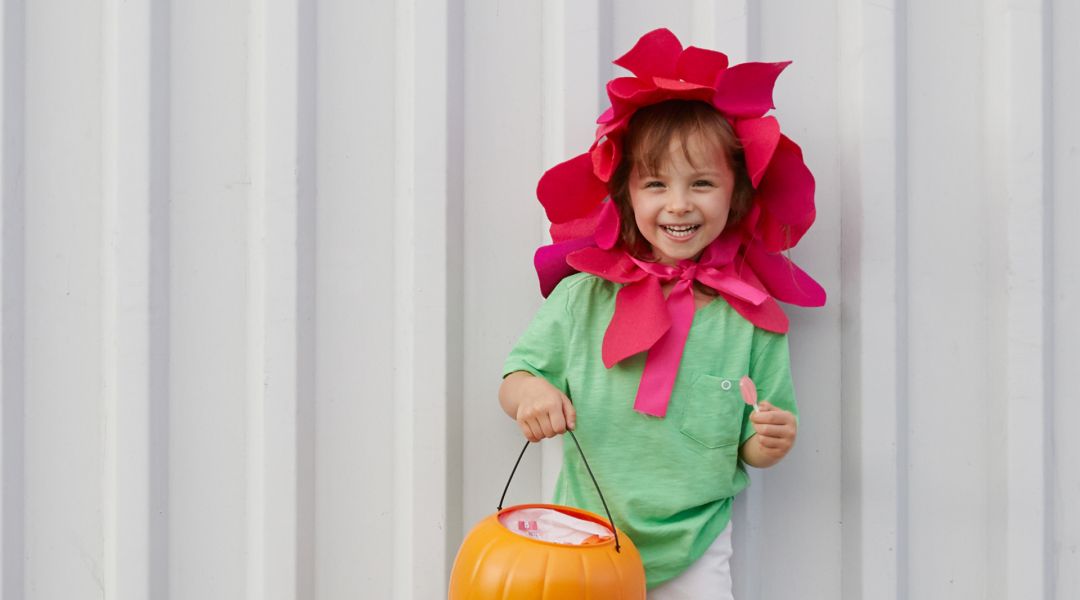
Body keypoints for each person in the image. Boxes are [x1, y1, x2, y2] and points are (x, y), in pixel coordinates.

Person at [500, 28, 825, 599]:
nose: (679, 204)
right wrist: (531, 396)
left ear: (737, 196)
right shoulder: (584, 298)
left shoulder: (751, 317)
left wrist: (771, 441)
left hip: (695, 541)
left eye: (702, 183)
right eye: (656, 184)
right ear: (627, 195)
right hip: (587, 536)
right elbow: (518, 375)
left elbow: (756, 436)